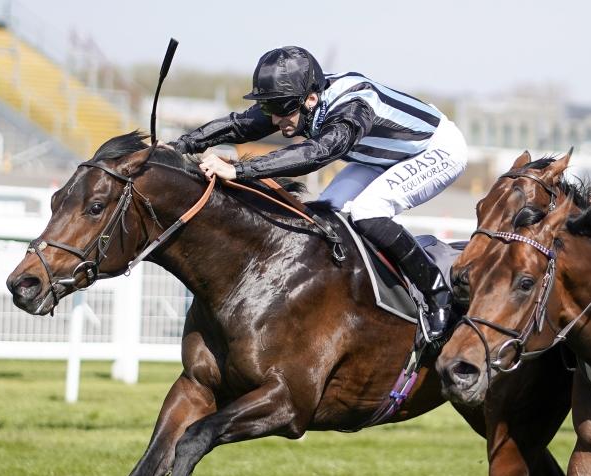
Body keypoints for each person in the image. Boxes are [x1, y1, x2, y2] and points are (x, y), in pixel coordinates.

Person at [169, 46, 466, 342]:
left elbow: (318, 152)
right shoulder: (296, 98)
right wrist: (180, 145)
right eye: (270, 109)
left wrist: (239, 171)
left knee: (367, 211)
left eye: (281, 110)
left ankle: (437, 293)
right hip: (379, 157)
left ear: (310, 99)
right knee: (325, 216)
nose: (275, 120)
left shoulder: (355, 106)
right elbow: (239, 125)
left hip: (436, 150)